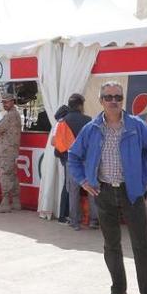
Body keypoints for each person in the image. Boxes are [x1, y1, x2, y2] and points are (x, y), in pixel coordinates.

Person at [67, 81, 147, 294]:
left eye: (118, 97)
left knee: (141, 245)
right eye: (109, 97)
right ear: (101, 100)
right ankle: (118, 290)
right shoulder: (91, 128)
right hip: (103, 192)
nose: (114, 101)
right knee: (111, 245)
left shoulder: (136, 126)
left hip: (131, 192)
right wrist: (83, 180)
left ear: (123, 100)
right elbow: (73, 155)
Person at [59, 94, 96, 230]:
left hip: (71, 161)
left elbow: (60, 143)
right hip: (87, 160)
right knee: (91, 190)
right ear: (80, 105)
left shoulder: (63, 121)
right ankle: (93, 220)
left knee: (73, 190)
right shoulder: (88, 120)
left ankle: (75, 221)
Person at [0, 93, 23, 213]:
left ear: (12, 102)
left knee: (5, 175)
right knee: (12, 176)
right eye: (3, 102)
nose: (4, 104)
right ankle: (16, 202)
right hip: (11, 150)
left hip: (6, 150)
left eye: (7, 102)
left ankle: (5, 202)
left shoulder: (10, 115)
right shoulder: (15, 114)